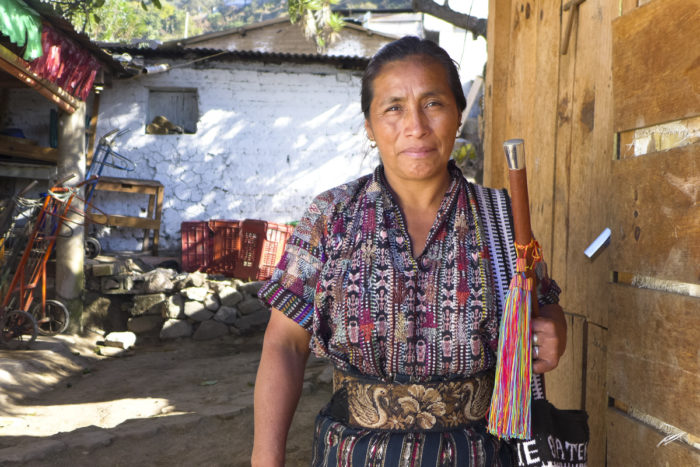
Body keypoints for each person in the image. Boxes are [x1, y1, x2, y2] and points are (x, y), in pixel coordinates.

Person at [252, 36, 567, 466]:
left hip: (479, 454)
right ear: (369, 125)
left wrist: (553, 334)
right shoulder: (331, 216)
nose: (415, 125)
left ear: (458, 114)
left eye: (433, 103)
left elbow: (541, 305)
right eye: (394, 107)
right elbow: (285, 345)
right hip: (353, 455)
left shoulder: (502, 217)